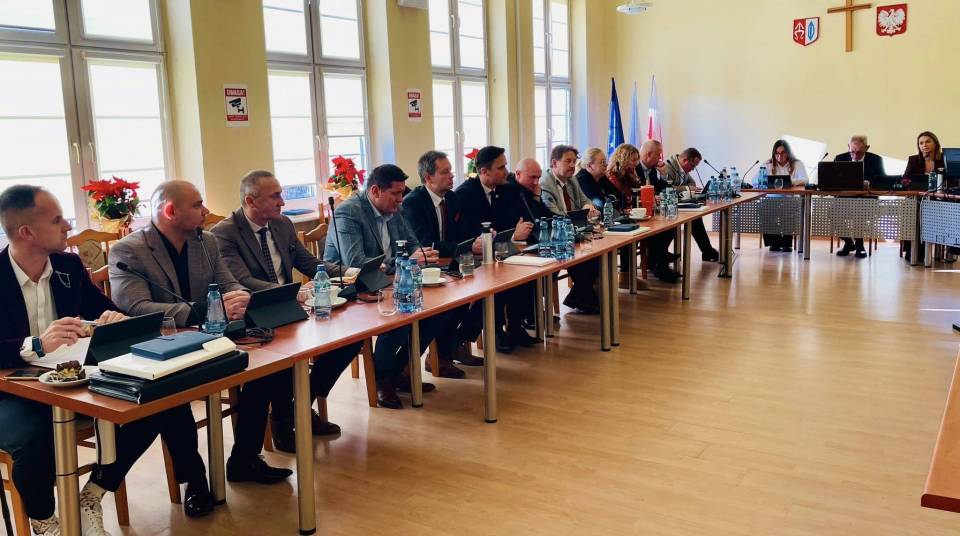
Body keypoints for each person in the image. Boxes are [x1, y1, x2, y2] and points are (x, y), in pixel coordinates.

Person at [0, 185, 215, 536]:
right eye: (57, 220)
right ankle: (45, 521)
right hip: (12, 391)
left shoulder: (68, 265)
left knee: (155, 400)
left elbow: (104, 310)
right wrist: (36, 344)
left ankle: (93, 493)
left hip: (73, 381)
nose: (68, 226)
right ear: (27, 232)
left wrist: (113, 320)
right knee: (33, 440)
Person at [109, 181, 293, 487]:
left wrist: (240, 298)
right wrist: (204, 310)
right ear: (170, 211)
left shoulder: (206, 241)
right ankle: (195, 482)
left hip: (212, 338)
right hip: (162, 349)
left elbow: (228, 283)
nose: (206, 210)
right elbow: (137, 307)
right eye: (197, 205)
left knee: (268, 369)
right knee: (173, 396)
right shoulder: (129, 250)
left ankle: (245, 459)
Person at [211, 170, 364, 447]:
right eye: (275, 196)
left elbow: (310, 264)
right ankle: (283, 423)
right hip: (256, 315)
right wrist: (291, 293)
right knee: (285, 356)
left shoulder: (282, 224)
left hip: (293, 308)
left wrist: (351, 272)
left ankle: (300, 405)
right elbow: (241, 281)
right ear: (251, 201)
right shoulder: (224, 233)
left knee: (351, 337)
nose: (282, 202)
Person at [324, 164, 446, 409]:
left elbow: (412, 243)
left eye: (402, 193)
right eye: (396, 193)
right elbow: (356, 263)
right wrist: (406, 260)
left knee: (438, 311)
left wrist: (421, 255)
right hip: (355, 290)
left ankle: (397, 371)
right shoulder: (348, 213)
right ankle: (382, 379)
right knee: (398, 317)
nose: (401, 199)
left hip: (389, 282)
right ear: (375, 191)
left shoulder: (394, 209)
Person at [401, 151, 485, 373]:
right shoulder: (413, 203)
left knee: (485, 291)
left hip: (450, 263)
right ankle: (441, 355)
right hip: (425, 268)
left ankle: (454, 344)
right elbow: (425, 244)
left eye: (451, 171)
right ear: (428, 177)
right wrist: (464, 246)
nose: (452, 176)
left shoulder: (452, 198)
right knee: (451, 299)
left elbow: (463, 234)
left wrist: (476, 241)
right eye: (445, 172)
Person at [454, 146, 541, 349]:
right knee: (499, 281)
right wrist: (512, 235)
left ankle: (516, 326)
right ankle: (495, 332)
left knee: (526, 273)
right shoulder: (465, 194)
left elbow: (515, 220)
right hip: (476, 256)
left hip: (502, 251)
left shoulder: (506, 189)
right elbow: (470, 233)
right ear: (484, 171)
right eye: (501, 167)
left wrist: (535, 197)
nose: (506, 171)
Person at [538, 145, 603, 311]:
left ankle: (579, 296)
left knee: (597, 253)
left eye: (574, 161)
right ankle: (582, 297)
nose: (573, 165)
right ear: (554, 163)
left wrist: (588, 207)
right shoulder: (544, 183)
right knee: (585, 258)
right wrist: (580, 216)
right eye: (568, 161)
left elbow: (585, 200)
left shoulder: (572, 179)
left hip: (576, 231)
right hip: (557, 236)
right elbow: (554, 214)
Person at [658, 147, 720, 262]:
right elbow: (666, 188)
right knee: (675, 222)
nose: (693, 169)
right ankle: (659, 258)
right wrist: (686, 188)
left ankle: (707, 251)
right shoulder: (668, 167)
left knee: (696, 218)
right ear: (685, 160)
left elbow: (692, 183)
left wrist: (685, 187)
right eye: (692, 166)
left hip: (678, 204)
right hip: (666, 206)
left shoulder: (682, 169)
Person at [637, 140, 682, 283]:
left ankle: (657, 260)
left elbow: (662, 188)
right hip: (638, 211)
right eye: (658, 154)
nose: (660, 158)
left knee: (670, 226)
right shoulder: (634, 168)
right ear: (649, 154)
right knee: (661, 229)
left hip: (651, 210)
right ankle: (661, 263)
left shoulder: (652, 170)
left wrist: (663, 175)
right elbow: (632, 190)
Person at [835, 135, 886, 258]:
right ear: (848, 147)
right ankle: (849, 243)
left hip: (867, 200)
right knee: (832, 212)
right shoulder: (840, 158)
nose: (855, 156)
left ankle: (859, 245)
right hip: (845, 200)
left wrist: (869, 183)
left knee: (858, 210)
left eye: (859, 152)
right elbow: (834, 179)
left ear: (867, 148)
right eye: (852, 152)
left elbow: (883, 180)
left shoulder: (876, 160)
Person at [902, 131, 945, 262]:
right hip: (917, 197)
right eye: (921, 143)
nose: (924, 145)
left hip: (938, 198)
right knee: (912, 211)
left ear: (935, 144)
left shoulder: (943, 160)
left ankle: (939, 250)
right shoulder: (914, 160)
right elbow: (904, 179)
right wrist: (912, 182)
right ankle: (913, 250)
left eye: (927, 142)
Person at [762, 139, 807, 252]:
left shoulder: (797, 164)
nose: (779, 156)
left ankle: (787, 243)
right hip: (771, 199)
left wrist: (791, 181)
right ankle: (774, 243)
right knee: (765, 208)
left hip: (789, 199)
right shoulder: (768, 164)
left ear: (788, 153)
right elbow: (755, 181)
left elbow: (806, 179)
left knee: (788, 208)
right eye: (777, 153)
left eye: (782, 153)